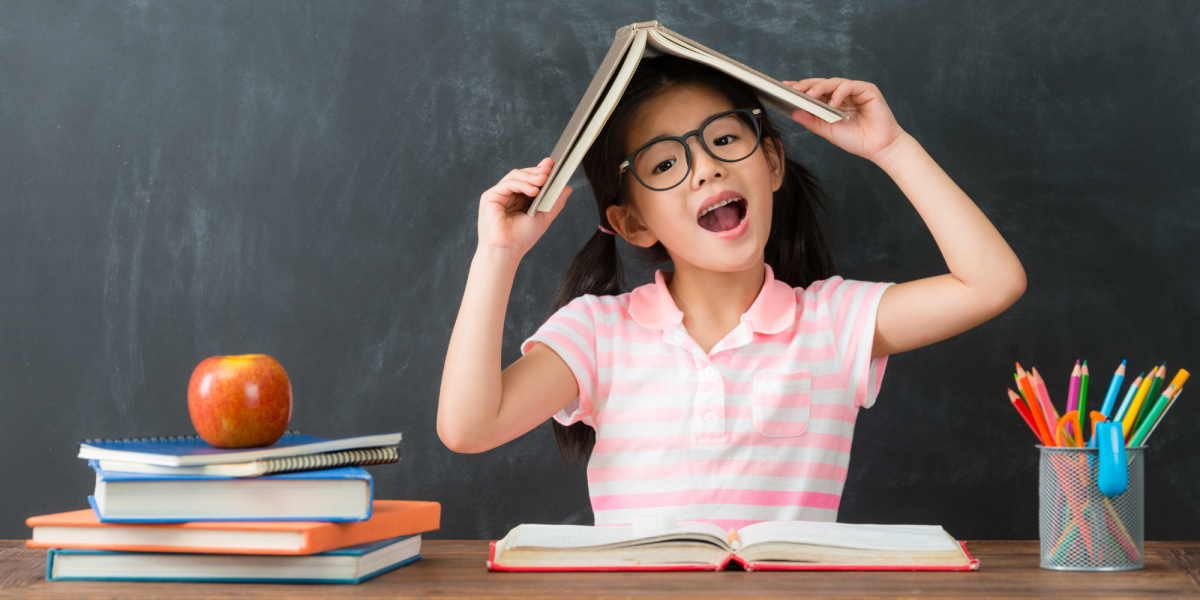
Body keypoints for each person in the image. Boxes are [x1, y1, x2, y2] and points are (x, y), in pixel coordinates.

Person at [438, 56, 1026, 528]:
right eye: (664, 164)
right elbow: (469, 427)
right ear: (635, 223)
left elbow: (992, 283)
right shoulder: (597, 333)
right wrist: (499, 253)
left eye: (723, 139)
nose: (705, 169)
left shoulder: (833, 323)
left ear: (771, 163)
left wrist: (890, 147)